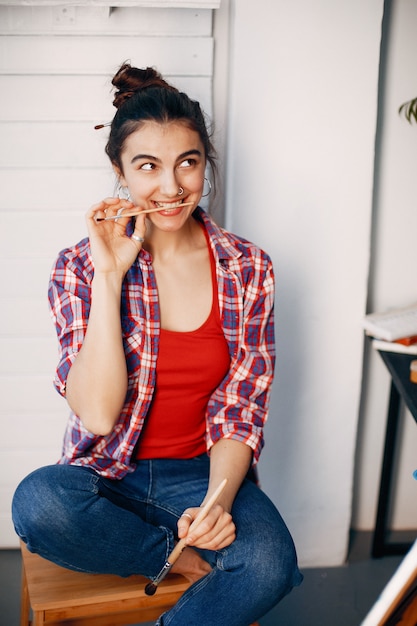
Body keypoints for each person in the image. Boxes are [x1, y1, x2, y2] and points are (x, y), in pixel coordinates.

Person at [12, 62, 302, 625]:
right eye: (148, 166)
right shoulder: (78, 266)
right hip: (107, 477)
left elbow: (241, 409)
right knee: (39, 503)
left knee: (269, 564)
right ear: (120, 170)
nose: (171, 188)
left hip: (202, 471)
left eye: (187, 164)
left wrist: (216, 504)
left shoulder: (247, 268)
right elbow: (97, 415)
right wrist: (109, 275)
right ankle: (180, 559)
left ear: (204, 166)